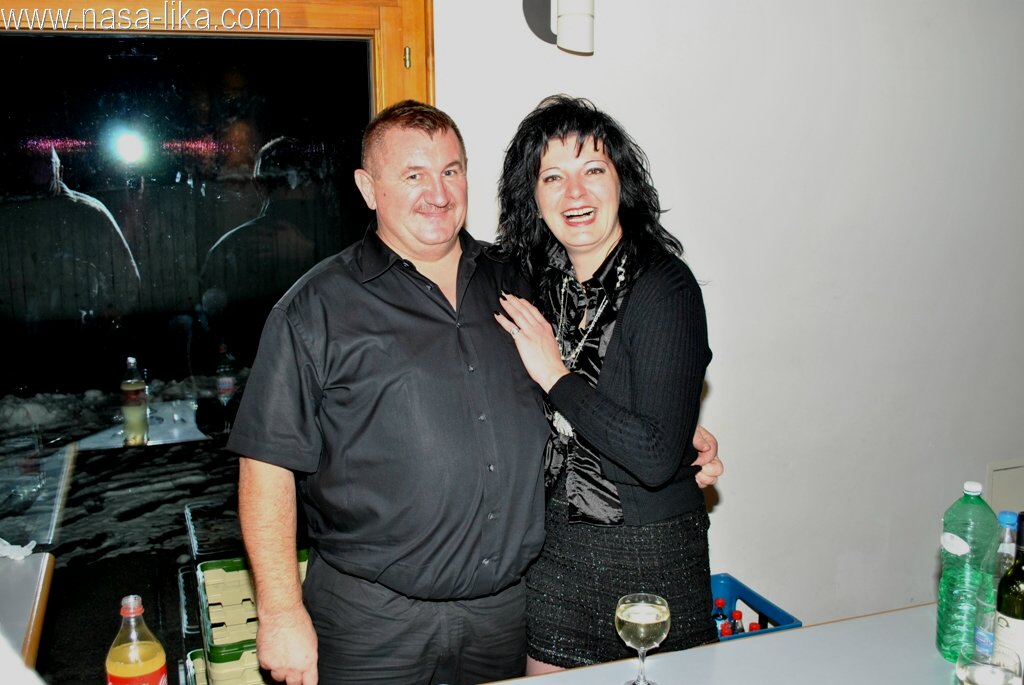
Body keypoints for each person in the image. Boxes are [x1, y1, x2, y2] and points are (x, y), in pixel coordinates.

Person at [228, 100, 721, 685]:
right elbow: (266, 463)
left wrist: (675, 431)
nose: (437, 193)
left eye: (451, 171)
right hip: (372, 623)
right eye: (413, 175)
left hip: (507, 615)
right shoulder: (316, 308)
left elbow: (595, 374)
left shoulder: (521, 279)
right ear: (367, 188)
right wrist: (280, 612)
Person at [493, 94, 719, 673]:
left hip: (650, 557)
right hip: (554, 554)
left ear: (622, 183)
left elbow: (655, 456)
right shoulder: (537, 281)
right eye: (553, 177)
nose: (575, 192)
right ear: (532, 197)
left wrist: (556, 376)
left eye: (593, 170)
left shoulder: (667, 288)